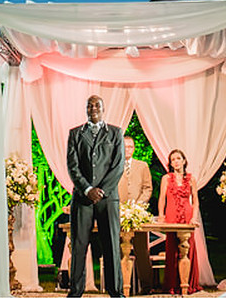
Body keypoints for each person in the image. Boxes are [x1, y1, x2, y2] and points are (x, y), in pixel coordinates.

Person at [66, 94, 125, 298]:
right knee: (79, 245)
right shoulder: (75, 134)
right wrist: (87, 189)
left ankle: (115, 291)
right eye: (89, 105)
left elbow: (118, 167)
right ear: (85, 109)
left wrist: (101, 191)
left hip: (108, 199)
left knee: (111, 245)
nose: (93, 108)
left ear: (103, 108)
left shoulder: (116, 133)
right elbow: (72, 167)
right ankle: (76, 291)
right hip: (82, 199)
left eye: (97, 105)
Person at [158, 149, 199, 295]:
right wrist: (161, 215)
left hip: (187, 215)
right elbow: (162, 198)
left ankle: (188, 284)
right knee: (172, 247)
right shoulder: (166, 178)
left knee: (188, 247)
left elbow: (195, 200)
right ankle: (172, 284)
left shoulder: (191, 178)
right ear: (170, 163)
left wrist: (194, 217)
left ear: (184, 161)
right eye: (173, 159)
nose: (175, 161)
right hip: (172, 214)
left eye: (178, 158)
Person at [117, 135, 154, 290]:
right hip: (119, 214)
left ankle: (147, 286)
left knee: (141, 250)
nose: (128, 149)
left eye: (130, 146)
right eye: (125, 146)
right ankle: (120, 286)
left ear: (134, 148)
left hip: (137, 214)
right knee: (118, 250)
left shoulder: (142, 165)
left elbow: (147, 188)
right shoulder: (113, 166)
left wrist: (138, 206)